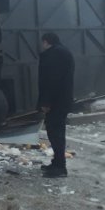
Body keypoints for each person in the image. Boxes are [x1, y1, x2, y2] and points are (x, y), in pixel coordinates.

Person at [37, 32, 75, 178]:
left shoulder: (54, 54)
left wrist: (46, 102)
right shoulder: (64, 52)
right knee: (57, 132)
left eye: (43, 43)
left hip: (56, 102)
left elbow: (51, 80)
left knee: (56, 133)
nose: (42, 46)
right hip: (62, 100)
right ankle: (57, 163)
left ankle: (60, 167)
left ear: (46, 41)